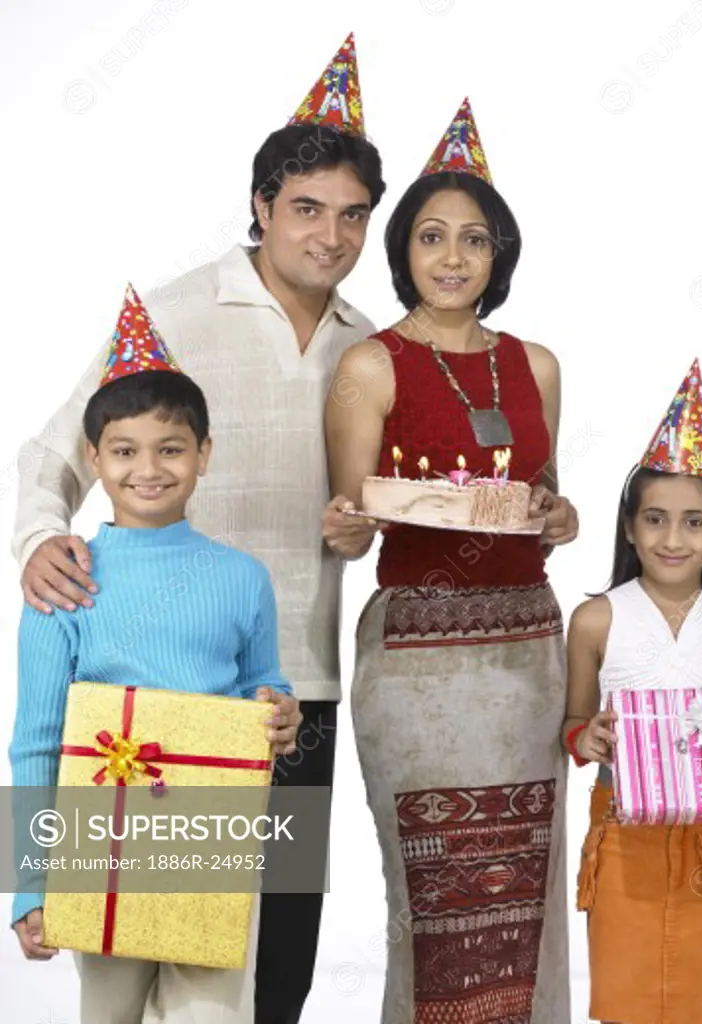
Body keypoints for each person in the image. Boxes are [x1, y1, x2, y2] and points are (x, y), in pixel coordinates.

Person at [11, 33, 385, 1024]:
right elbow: (58, 445)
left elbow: (377, 492)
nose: (330, 236)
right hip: (160, 702)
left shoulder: (370, 344)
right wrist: (39, 538)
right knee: (134, 949)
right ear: (260, 207)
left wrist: (366, 525)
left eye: (353, 215)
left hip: (291, 689)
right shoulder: (178, 312)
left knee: (280, 951)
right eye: (306, 209)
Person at [323, 99, 577, 1023]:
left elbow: (548, 494)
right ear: (403, 252)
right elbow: (356, 511)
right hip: (418, 662)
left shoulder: (536, 364)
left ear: (499, 255)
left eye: (475, 239)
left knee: (525, 894)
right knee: (435, 901)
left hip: (527, 654)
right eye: (432, 237)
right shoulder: (372, 366)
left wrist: (561, 513)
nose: (453, 257)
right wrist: (348, 529)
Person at [10, 287, 302, 1023]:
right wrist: (32, 884)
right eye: (125, 450)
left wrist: (278, 709)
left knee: (213, 1014)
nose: (149, 468)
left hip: (213, 838)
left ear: (204, 454)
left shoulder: (243, 578)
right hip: (103, 838)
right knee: (109, 1012)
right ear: (93, 458)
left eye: (171, 448)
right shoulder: (66, 579)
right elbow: (38, 744)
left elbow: (262, 687)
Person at [564, 360, 702, 1024]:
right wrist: (585, 736)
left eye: (692, 523)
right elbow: (572, 722)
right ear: (629, 527)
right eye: (654, 520)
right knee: (629, 997)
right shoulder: (597, 618)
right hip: (626, 837)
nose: (672, 539)